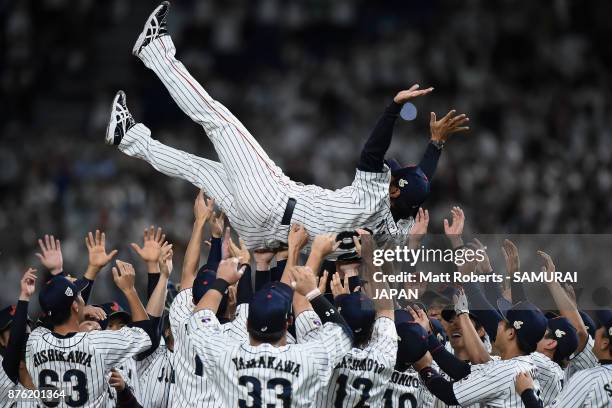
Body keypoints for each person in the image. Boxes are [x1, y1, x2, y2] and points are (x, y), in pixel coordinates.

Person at [106, 1, 470, 251]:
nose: (390, 178)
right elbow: (413, 188)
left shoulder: (374, 196)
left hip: (273, 199)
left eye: (393, 181)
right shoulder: (397, 232)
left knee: (217, 120)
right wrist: (434, 147)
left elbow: (372, 153)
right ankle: (130, 138)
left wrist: (393, 108)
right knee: (202, 169)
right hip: (263, 233)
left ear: (392, 192)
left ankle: (154, 50)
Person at [187, 254, 353, 407]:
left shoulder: (225, 355)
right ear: (288, 322)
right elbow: (343, 331)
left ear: (247, 324)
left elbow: (200, 316)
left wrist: (222, 281)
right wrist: (313, 293)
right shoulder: (307, 359)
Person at [25, 261, 159, 408]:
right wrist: (130, 290)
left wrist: (75, 307)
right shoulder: (96, 343)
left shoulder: (35, 341)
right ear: (75, 306)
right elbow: (147, 334)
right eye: (79, 296)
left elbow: (47, 319)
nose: (83, 298)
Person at [516, 309, 612, 408]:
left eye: (538, 334)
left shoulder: (545, 365)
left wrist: (526, 393)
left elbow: (581, 334)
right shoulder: (565, 372)